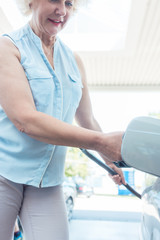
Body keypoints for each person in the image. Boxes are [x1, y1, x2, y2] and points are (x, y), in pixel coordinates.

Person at [0, 0, 126, 239]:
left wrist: (110, 161)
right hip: (4, 173)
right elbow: (26, 120)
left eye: (69, 3)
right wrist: (100, 141)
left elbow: (87, 118)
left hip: (47, 180)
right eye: (55, 0)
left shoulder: (74, 61)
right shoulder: (7, 47)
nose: (62, 10)